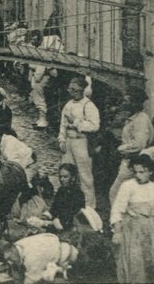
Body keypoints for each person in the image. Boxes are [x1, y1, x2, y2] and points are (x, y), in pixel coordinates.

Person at [110, 153, 154, 283]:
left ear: (150, 171)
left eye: (142, 172)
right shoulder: (128, 185)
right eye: (136, 172)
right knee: (137, 262)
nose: (138, 175)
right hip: (134, 226)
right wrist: (117, 231)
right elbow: (117, 209)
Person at [58, 75, 100, 208]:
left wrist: (76, 122)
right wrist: (61, 139)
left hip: (81, 142)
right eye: (71, 89)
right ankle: (68, 203)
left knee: (84, 176)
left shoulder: (88, 105)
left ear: (82, 89)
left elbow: (95, 125)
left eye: (75, 89)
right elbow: (62, 124)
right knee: (66, 172)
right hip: (69, 142)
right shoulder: (68, 105)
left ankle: (89, 206)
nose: (72, 91)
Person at [109, 90, 154, 205]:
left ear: (135, 103)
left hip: (134, 161)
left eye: (126, 101)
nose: (123, 103)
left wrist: (120, 149)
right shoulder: (132, 118)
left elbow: (139, 145)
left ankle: (118, 220)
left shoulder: (141, 120)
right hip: (129, 160)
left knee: (116, 192)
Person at [30, 163, 86, 233]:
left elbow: (73, 216)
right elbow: (54, 208)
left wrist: (47, 223)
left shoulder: (77, 194)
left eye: (65, 177)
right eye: (60, 177)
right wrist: (47, 216)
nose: (62, 179)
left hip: (68, 225)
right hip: (57, 221)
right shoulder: (61, 190)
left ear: (73, 178)